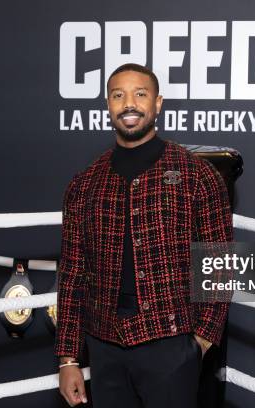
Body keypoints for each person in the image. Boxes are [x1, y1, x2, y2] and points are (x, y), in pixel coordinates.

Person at [56, 63, 233, 407]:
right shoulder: (84, 183)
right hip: (104, 347)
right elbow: (73, 272)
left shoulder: (197, 175)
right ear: (108, 104)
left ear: (158, 103)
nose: (129, 103)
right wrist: (68, 359)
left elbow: (220, 262)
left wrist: (201, 340)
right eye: (118, 95)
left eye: (140, 94)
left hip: (171, 346)